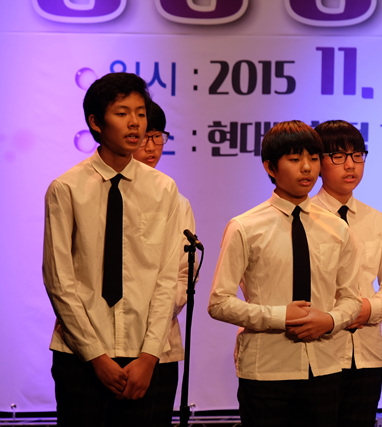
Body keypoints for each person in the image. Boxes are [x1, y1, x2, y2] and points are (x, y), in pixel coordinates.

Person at [42, 72, 182, 426]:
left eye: (140, 113)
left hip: (149, 357)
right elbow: (59, 280)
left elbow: (167, 278)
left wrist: (149, 356)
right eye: (122, 113)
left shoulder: (164, 189)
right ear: (96, 122)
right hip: (81, 356)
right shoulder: (66, 188)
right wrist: (95, 356)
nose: (135, 123)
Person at [208, 120, 362, 427]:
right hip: (266, 372)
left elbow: (351, 298)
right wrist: (280, 316)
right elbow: (219, 303)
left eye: (313, 159)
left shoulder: (337, 227)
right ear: (270, 167)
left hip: (325, 368)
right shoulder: (245, 227)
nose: (307, 168)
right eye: (294, 159)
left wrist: (330, 320)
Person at [311, 120, 382, 426]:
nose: (350, 165)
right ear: (318, 161)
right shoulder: (305, 218)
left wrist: (369, 308)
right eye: (338, 156)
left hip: (366, 352)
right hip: (319, 351)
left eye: (357, 155)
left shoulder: (377, 220)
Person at [132, 100, 197, 426]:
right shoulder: (82, 189)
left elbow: (185, 274)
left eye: (158, 136)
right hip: (100, 348)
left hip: (160, 346)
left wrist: (153, 318)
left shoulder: (177, 201)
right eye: (145, 137)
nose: (151, 146)